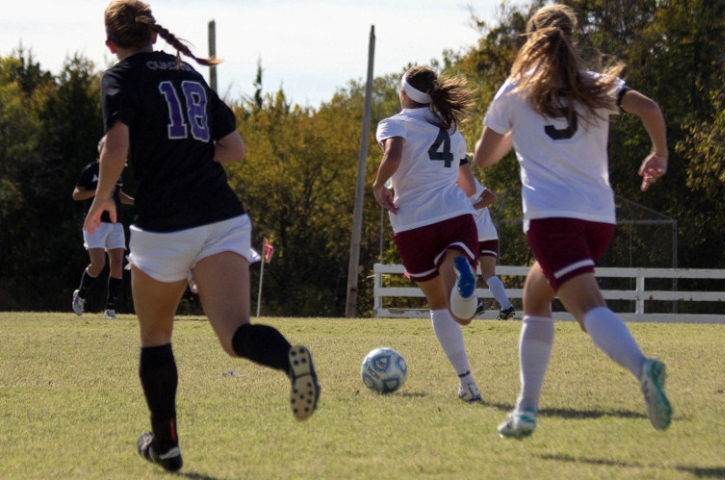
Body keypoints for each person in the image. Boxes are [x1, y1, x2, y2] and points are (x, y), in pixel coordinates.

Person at [85, 1, 319, 472]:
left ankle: (166, 446)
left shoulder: (120, 77)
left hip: (165, 225)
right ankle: (291, 359)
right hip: (222, 217)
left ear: (110, 44)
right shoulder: (188, 73)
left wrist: (101, 198)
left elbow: (117, 146)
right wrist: (187, 153)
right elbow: (234, 149)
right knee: (236, 334)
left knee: (155, 336)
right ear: (154, 36)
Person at [473, 4, 672, 438]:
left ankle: (643, 368)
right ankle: (525, 410)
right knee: (535, 295)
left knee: (587, 309)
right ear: (572, 37)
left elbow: (483, 158)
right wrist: (659, 154)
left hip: (551, 217)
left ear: (531, 39)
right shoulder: (597, 84)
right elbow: (650, 108)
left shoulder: (516, 89)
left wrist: (514, 130)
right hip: (599, 218)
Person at [372, 66, 482, 403]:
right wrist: (476, 198)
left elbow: (394, 154)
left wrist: (378, 186)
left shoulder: (394, 123)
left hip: (414, 223)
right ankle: (464, 278)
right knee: (461, 314)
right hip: (456, 215)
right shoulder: (450, 128)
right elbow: (468, 185)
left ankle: (468, 382)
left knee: (439, 307)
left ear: (404, 94)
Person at [72, 137, 134, 320]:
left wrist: (135, 202)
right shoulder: (91, 169)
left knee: (117, 262)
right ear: (100, 150)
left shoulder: (117, 171)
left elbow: (118, 194)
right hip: (95, 223)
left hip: (115, 223)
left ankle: (110, 308)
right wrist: (99, 192)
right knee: (98, 264)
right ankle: (80, 295)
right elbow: (77, 194)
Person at [458, 168, 516, 320]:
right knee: (489, 274)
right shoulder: (457, 185)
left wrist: (471, 209)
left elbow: (491, 197)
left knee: (460, 268)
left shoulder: (466, 184)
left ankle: (475, 303)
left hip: (473, 235)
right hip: (489, 234)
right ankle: (506, 307)